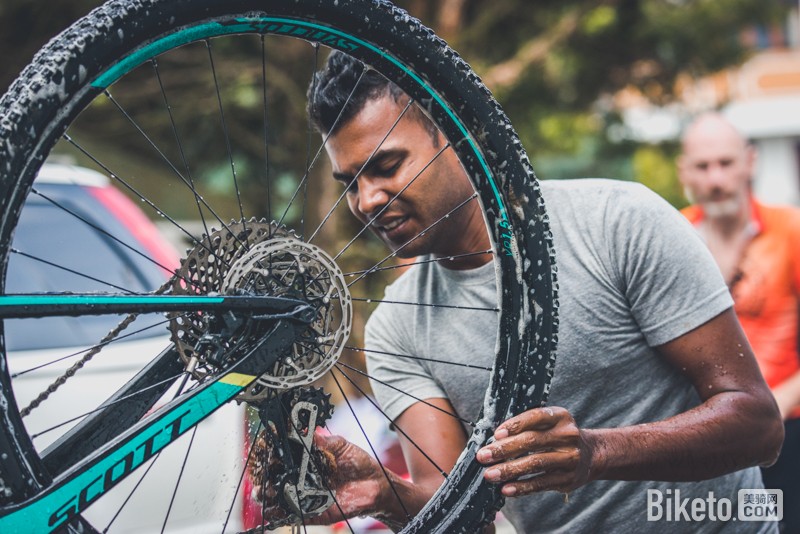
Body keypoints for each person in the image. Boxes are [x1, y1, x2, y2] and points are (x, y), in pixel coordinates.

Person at [272, 51, 784, 532]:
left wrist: (594, 453)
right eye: (349, 183)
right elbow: (455, 507)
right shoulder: (396, 327)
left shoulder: (618, 222)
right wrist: (386, 493)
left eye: (386, 167)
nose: (367, 201)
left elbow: (758, 425)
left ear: (459, 133)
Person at [678, 112, 800, 532]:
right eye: (703, 166)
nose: (716, 179)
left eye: (726, 163)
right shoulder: (673, 235)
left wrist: (781, 399)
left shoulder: (790, 231)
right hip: (706, 430)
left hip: (789, 428)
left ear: (751, 161)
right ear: (684, 171)